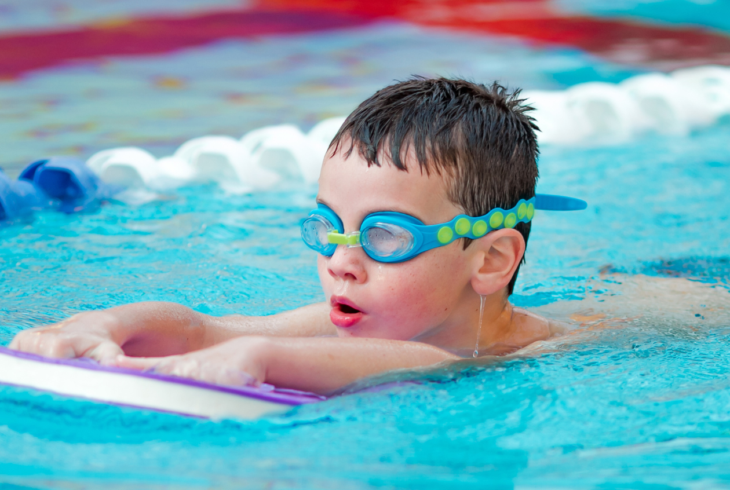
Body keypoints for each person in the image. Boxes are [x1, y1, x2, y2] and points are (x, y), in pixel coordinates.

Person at [9, 77, 585, 395]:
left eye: (384, 237)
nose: (342, 261)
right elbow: (210, 328)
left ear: (489, 260)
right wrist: (102, 324)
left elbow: (420, 362)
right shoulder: (365, 315)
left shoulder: (499, 354)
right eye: (329, 228)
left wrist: (261, 358)